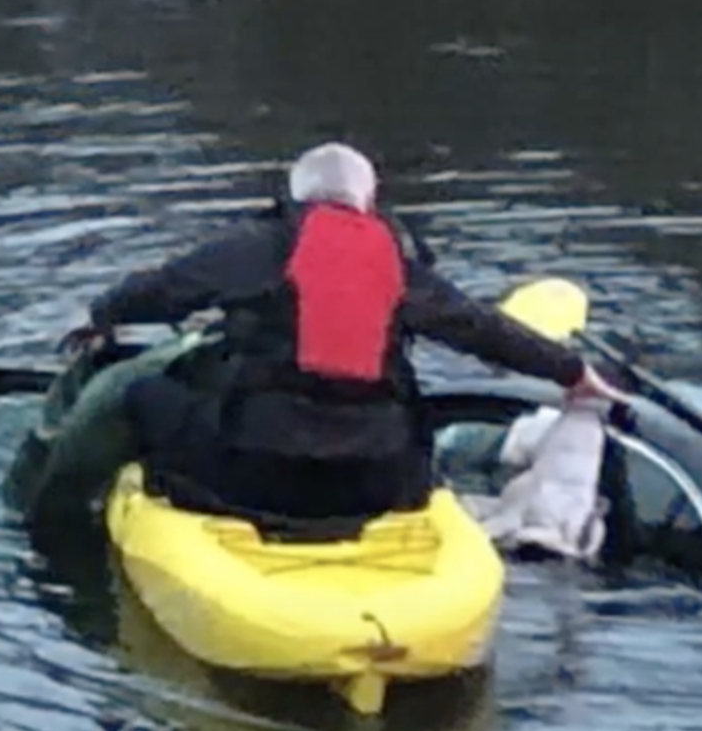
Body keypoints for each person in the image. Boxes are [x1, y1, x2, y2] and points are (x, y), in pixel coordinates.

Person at [61, 142, 624, 524]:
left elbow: (160, 290)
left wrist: (99, 316)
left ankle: (82, 521)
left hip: (254, 476)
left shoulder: (256, 245)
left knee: (140, 394)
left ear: (294, 197)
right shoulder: (399, 265)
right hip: (376, 486)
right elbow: (480, 327)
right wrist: (574, 373)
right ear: (369, 202)